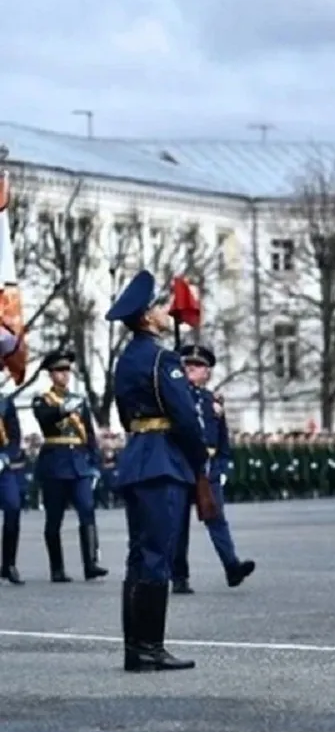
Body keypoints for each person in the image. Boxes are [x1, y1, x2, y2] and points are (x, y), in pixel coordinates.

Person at [107, 269, 209, 671]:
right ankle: (149, 647)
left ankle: (137, 646)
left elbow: (122, 412)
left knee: (139, 556)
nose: (166, 311)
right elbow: (184, 416)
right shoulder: (162, 359)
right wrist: (199, 458)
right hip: (163, 460)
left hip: (138, 456)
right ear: (146, 318)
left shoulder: (127, 359)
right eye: (157, 307)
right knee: (156, 557)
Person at [171, 344, 255, 594]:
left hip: (207, 467)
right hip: (182, 463)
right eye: (187, 365)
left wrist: (221, 467)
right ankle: (179, 576)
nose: (189, 370)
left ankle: (232, 566)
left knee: (216, 518)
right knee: (178, 524)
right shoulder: (175, 397)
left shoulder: (212, 401)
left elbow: (222, 440)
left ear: (206, 372)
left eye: (196, 366)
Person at [31, 349, 106, 583]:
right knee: (54, 518)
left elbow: (90, 434)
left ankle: (91, 563)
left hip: (79, 464)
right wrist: (64, 409)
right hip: (55, 463)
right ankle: (57, 568)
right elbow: (44, 418)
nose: (64, 375)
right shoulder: (42, 399)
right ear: (51, 374)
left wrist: (94, 462)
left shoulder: (80, 400)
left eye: (66, 371)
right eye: (59, 371)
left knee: (87, 509)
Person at [0, 392, 23, 584]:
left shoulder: (4, 402)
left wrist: (6, 457)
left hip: (1, 464)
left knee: (13, 507)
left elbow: (15, 436)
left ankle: (9, 564)